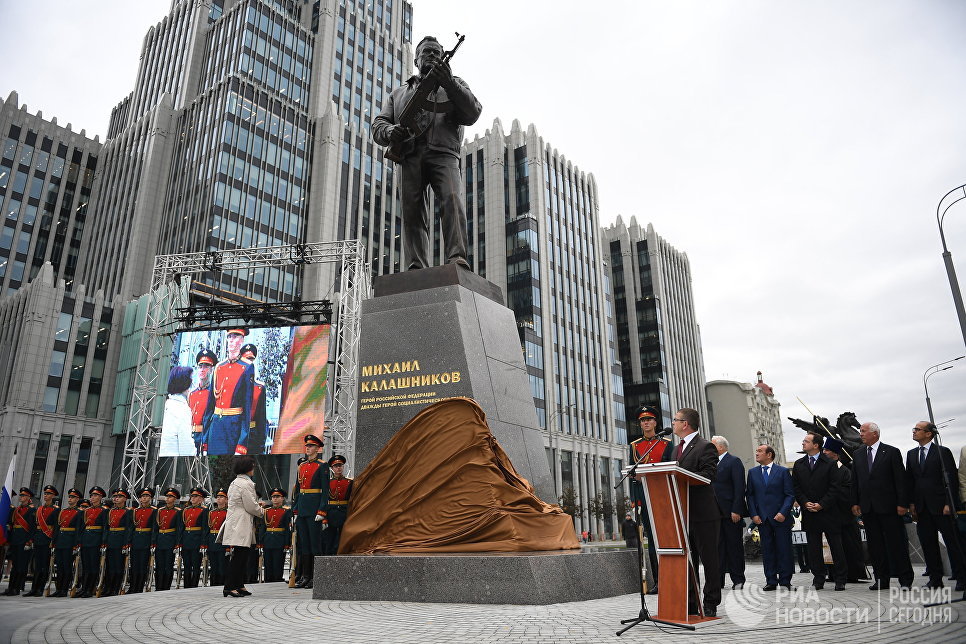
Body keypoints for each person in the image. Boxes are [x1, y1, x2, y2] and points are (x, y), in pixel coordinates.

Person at [372, 35, 482, 270]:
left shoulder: (455, 84)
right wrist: (391, 131)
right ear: (416, 59)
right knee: (411, 212)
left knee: (453, 201)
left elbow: (473, 113)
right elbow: (378, 124)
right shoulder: (399, 93)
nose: (432, 55)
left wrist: (449, 83)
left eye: (436, 52)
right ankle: (416, 264)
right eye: (426, 52)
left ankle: (457, 257)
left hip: (444, 153)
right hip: (410, 155)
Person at [665, 407, 721, 617]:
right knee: (688, 560)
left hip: (704, 513)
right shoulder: (675, 449)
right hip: (682, 513)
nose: (673, 424)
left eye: (676, 420)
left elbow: (708, 475)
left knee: (709, 559)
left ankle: (710, 602)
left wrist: (679, 474)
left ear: (685, 424)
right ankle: (691, 601)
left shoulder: (706, 446)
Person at [851, 421, 913, 590]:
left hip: (890, 507)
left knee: (897, 544)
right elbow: (856, 480)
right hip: (868, 508)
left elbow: (900, 480)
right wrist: (855, 502)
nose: (860, 434)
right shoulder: (858, 454)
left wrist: (903, 503)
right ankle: (881, 579)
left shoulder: (891, 452)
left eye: (863, 431)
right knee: (875, 546)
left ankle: (905, 579)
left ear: (875, 434)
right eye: (860, 431)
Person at [906, 421, 965, 591]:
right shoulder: (911, 454)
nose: (914, 431)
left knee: (952, 543)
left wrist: (949, 502)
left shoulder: (942, 452)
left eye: (918, 429)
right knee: (928, 544)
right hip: (922, 507)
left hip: (941, 506)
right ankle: (935, 579)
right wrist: (912, 504)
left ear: (929, 433)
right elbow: (910, 480)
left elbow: (951, 478)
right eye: (914, 428)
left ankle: (961, 577)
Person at [792, 432, 848, 591]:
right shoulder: (799, 464)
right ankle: (818, 578)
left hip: (829, 512)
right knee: (813, 548)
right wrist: (805, 502)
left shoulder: (830, 463)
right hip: (809, 512)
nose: (803, 443)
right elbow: (796, 487)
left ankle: (840, 578)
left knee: (836, 546)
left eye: (806, 441)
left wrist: (822, 504)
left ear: (816, 445)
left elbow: (835, 487)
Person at [629, 405, 673, 593]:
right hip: (644, 498)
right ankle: (658, 581)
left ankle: (672, 577)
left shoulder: (666, 444)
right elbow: (631, 474)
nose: (646, 422)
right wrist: (635, 501)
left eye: (649, 419)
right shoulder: (634, 446)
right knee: (652, 540)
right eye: (642, 420)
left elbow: (671, 468)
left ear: (655, 422)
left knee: (665, 538)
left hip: (662, 496)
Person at [746, 444, 795, 591]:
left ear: (769, 455)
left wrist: (783, 512)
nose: (757, 453)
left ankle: (785, 580)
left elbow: (790, 495)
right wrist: (754, 514)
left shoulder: (783, 471)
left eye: (760, 451)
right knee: (767, 550)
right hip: (762, 519)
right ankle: (771, 580)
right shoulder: (752, 473)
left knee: (784, 549)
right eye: (756, 451)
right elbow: (750, 496)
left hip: (780, 517)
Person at [217, 455, 266, 598]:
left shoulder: (236, 482)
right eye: (252, 466)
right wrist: (262, 512)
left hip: (237, 520)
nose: (254, 469)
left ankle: (239, 584)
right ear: (247, 467)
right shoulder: (246, 484)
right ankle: (229, 586)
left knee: (242, 555)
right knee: (239, 556)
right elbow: (250, 505)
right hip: (241, 522)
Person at [821, 438, 869, 583]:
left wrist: (830, 495)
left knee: (848, 545)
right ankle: (834, 573)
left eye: (827, 450)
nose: (824, 452)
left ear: (835, 453)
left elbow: (847, 492)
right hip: (829, 515)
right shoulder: (826, 468)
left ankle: (852, 573)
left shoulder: (844, 470)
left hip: (844, 515)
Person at [202, 328, 255, 455]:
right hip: (215, 428)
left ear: (242, 340)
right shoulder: (219, 367)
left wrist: (241, 443)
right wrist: (205, 440)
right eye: (229, 337)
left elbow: (247, 407)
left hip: (233, 428)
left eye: (236, 337)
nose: (231, 340)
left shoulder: (247, 367)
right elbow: (209, 407)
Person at [292, 433, 329, 588]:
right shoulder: (302, 466)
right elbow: (298, 490)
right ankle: (306, 576)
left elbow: (325, 491)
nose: (308, 448)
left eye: (311, 446)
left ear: (318, 448)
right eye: (307, 446)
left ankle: (316, 577)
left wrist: (322, 511)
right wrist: (295, 510)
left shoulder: (323, 466)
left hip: (314, 510)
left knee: (315, 544)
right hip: (303, 509)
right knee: (304, 545)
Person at [711, 435, 747, 590]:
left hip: (731, 513)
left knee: (734, 547)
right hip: (714, 514)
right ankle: (718, 581)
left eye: (712, 446)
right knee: (717, 549)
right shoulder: (710, 464)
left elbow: (740, 487)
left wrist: (736, 509)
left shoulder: (733, 461)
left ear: (720, 447)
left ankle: (738, 579)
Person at [25, 484, 59, 596]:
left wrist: (53, 541)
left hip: (47, 540)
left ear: (53, 496)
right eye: (45, 493)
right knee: (36, 565)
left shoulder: (55, 510)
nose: (46, 495)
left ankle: (40, 588)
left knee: (44, 565)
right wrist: (32, 539)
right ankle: (33, 588)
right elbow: (35, 526)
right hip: (38, 539)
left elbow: (55, 527)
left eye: (48, 494)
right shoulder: (39, 509)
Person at [3, 488, 36, 596]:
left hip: (24, 541)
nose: (21, 497)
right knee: (14, 565)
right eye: (21, 495)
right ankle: (10, 587)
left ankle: (16, 588)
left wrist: (29, 541)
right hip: (15, 540)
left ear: (28, 497)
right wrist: (9, 540)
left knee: (20, 566)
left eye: (23, 495)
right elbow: (12, 526)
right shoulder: (16, 510)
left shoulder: (32, 510)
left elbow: (32, 527)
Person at [77, 486, 108, 598]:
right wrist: (79, 541)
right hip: (86, 540)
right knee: (86, 566)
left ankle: (90, 589)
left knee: (93, 566)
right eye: (91, 495)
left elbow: (105, 527)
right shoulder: (86, 511)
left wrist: (103, 542)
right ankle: (84, 588)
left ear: (100, 497)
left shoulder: (104, 511)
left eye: (95, 495)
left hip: (96, 541)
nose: (92, 498)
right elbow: (82, 527)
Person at [52, 488, 83, 596]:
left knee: (67, 567)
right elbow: (58, 527)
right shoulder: (63, 511)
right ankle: (58, 588)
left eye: (73, 497)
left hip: (70, 542)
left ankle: (64, 589)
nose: (70, 499)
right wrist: (54, 541)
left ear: (77, 499)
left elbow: (78, 530)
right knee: (59, 566)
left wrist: (76, 545)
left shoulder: (79, 512)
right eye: (69, 497)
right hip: (60, 541)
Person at [258, 487, 293, 582]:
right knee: (268, 562)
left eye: (278, 496)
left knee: (278, 562)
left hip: (280, 539)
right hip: (268, 539)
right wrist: (260, 541)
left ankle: (277, 579)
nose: (275, 499)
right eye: (273, 497)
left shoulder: (286, 511)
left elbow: (287, 528)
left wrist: (287, 543)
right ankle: (268, 579)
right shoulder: (266, 511)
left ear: (282, 498)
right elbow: (263, 527)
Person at [102, 489, 132, 597]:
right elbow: (107, 527)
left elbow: (128, 528)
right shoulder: (110, 511)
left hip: (120, 541)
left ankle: (115, 588)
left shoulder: (128, 511)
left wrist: (126, 544)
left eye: (119, 496)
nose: (116, 498)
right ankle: (108, 588)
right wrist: (104, 541)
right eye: (115, 496)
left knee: (118, 567)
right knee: (109, 566)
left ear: (124, 499)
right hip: (110, 540)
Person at [240, 343, 268, 455]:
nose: (249, 362)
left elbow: (262, 418)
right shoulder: (234, 387)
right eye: (246, 359)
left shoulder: (260, 388)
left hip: (252, 437)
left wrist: (261, 443)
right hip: (236, 434)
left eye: (251, 359)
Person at [160, 366, 195, 456]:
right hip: (174, 458)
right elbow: (186, 446)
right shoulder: (182, 409)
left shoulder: (168, 404)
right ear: (185, 384)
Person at [322, 455, 353, 556]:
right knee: (330, 539)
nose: (338, 468)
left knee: (342, 538)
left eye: (340, 465)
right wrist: (324, 517)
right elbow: (324, 500)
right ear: (332, 468)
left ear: (343, 467)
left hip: (344, 512)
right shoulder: (327, 483)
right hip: (331, 513)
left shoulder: (349, 482)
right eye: (336, 466)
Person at [128, 488, 157, 593]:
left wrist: (152, 542)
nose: (144, 498)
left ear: (151, 498)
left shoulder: (154, 511)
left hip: (146, 540)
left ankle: (139, 587)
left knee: (142, 566)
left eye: (147, 496)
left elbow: (154, 528)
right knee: (134, 565)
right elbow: (131, 527)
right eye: (142, 496)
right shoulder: (135, 511)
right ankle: (132, 587)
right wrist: (129, 541)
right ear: (139, 499)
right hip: (136, 540)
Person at [154, 488, 183, 592]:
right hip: (160, 540)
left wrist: (177, 543)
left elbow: (179, 529)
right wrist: (154, 542)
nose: (168, 498)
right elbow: (156, 528)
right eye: (167, 496)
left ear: (175, 499)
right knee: (159, 565)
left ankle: (166, 587)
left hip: (170, 540)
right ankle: (158, 586)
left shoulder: (178, 512)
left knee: (168, 565)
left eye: (170, 497)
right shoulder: (160, 511)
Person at [189, 349, 217, 453]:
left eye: (206, 366)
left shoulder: (213, 393)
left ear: (211, 370)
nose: (202, 369)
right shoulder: (192, 394)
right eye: (200, 366)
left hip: (204, 438)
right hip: (189, 437)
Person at [181, 487, 208, 588]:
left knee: (196, 566)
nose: (192, 498)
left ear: (201, 499)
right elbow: (182, 527)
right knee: (187, 565)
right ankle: (186, 585)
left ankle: (194, 585)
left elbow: (205, 528)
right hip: (186, 540)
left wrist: (203, 544)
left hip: (197, 541)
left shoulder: (204, 510)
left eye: (195, 496)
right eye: (192, 496)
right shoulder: (185, 510)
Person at [207, 488, 230, 587]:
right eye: (218, 497)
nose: (219, 499)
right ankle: (213, 583)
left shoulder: (229, 513)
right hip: (212, 541)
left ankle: (221, 584)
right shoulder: (212, 512)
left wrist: (229, 546)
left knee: (222, 566)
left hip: (222, 542)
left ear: (226, 499)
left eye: (222, 497)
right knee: (213, 566)